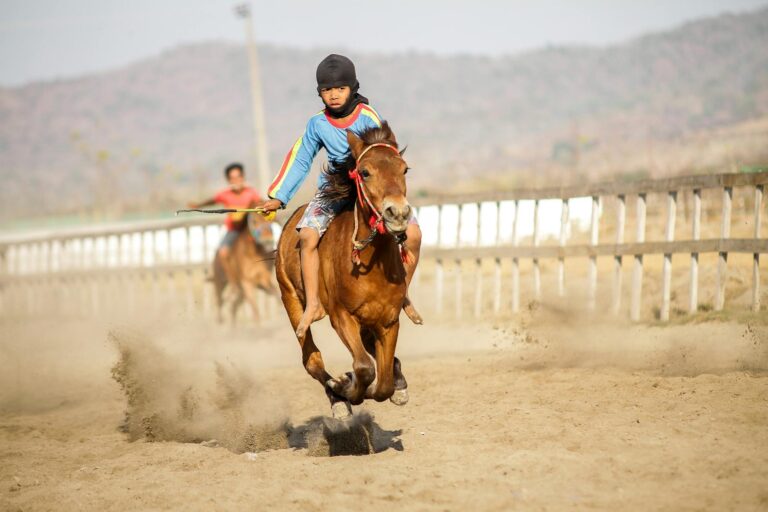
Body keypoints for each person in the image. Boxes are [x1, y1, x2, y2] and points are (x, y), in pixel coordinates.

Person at [259, 54, 422, 339]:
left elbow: (384, 155)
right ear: (320, 93)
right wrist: (278, 196)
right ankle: (312, 304)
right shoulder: (317, 124)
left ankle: (402, 294)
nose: (333, 95)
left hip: (369, 190)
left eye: (340, 89)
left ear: (353, 88)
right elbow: (300, 158)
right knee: (308, 236)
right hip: (333, 190)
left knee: (414, 235)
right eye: (326, 90)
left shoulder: (368, 117)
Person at [188, 162, 261, 279]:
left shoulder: (251, 192)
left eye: (238, 177)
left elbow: (260, 202)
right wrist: (198, 205)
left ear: (243, 177)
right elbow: (212, 201)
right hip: (234, 230)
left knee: (267, 244)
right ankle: (232, 278)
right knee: (223, 252)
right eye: (233, 178)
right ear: (229, 180)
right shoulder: (225, 194)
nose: (236, 181)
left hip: (250, 229)